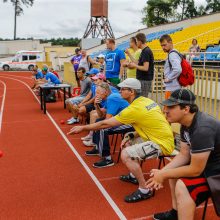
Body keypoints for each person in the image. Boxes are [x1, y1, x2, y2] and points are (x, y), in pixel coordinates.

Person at [68, 78, 174, 203]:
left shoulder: (134, 109)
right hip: (159, 137)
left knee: (125, 154)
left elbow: (105, 124)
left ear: (132, 92)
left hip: (162, 144)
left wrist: (83, 127)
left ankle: (144, 190)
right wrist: (132, 135)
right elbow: (150, 124)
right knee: (127, 141)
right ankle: (133, 175)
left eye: (123, 89)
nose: (120, 91)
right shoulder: (147, 101)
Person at [146, 88, 220, 220]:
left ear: (186, 109)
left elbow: (195, 170)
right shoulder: (185, 123)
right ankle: (176, 213)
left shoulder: (202, 129)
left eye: (171, 107)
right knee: (174, 172)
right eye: (165, 107)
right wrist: (162, 172)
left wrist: (163, 174)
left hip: (215, 172)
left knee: (183, 186)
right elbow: (184, 155)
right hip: (207, 166)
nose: (165, 110)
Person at [83, 82, 134, 168]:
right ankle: (97, 147)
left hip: (130, 123)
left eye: (98, 93)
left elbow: (107, 120)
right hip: (121, 119)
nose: (96, 95)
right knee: (98, 121)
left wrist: (96, 126)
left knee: (103, 129)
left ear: (106, 92)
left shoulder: (112, 98)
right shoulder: (108, 98)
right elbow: (101, 115)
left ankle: (107, 159)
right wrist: (96, 105)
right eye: (96, 92)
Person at [127, 33, 154, 97]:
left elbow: (145, 68)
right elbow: (138, 63)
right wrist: (130, 57)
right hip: (142, 80)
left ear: (140, 41)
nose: (136, 43)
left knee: (142, 99)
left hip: (144, 80)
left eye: (136, 41)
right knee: (140, 99)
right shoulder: (143, 51)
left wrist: (134, 66)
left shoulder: (146, 51)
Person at [159, 34, 182, 99]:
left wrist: (168, 78)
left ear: (170, 42)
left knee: (169, 108)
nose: (163, 47)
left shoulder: (172, 54)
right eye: (161, 46)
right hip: (174, 87)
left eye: (164, 45)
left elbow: (178, 69)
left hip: (172, 88)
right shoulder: (174, 52)